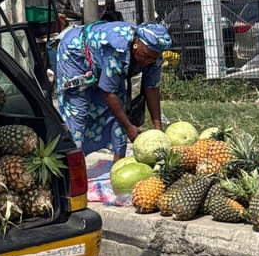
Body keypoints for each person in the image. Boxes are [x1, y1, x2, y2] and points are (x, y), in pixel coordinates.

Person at [55, 20, 172, 161]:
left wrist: (158, 130)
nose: (148, 61)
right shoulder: (118, 49)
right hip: (75, 55)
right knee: (78, 111)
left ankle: (119, 164)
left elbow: (152, 88)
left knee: (120, 109)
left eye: (153, 58)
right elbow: (108, 93)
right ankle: (74, 170)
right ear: (136, 44)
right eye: (146, 56)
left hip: (100, 62)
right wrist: (129, 127)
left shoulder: (154, 54)